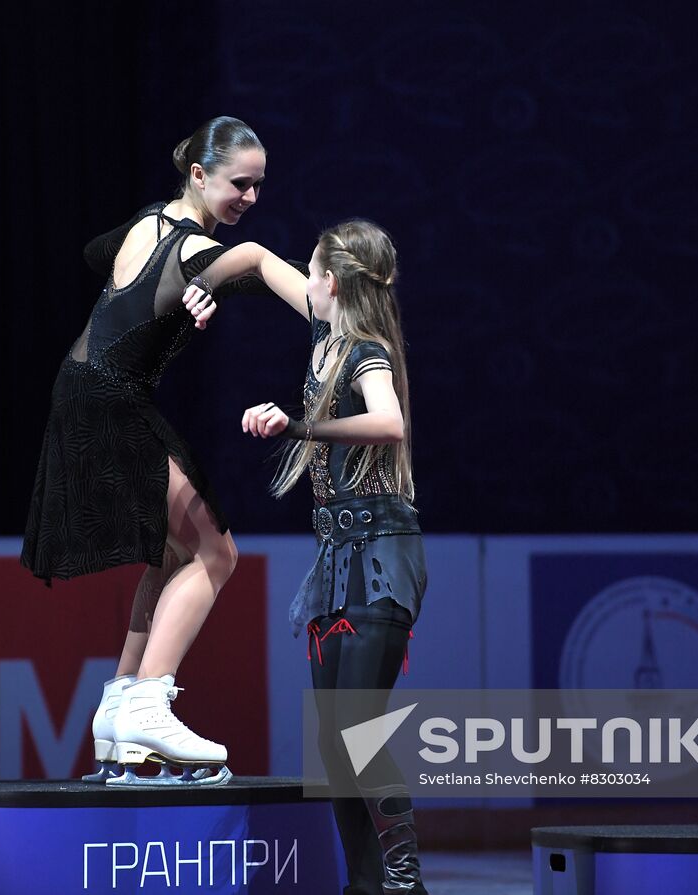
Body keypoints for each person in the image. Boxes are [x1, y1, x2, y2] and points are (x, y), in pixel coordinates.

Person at [23, 117, 306, 788]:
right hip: (110, 398)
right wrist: (342, 316)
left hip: (83, 392)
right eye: (240, 184)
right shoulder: (198, 249)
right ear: (200, 175)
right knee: (215, 553)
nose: (251, 198)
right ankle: (150, 702)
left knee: (174, 552)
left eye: (260, 186)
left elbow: (102, 255)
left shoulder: (150, 222)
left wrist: (185, 290)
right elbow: (266, 265)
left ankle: (121, 709)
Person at [187, 220, 429, 894]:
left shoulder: (365, 352)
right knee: (333, 745)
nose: (304, 277)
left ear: (329, 282)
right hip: (334, 557)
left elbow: (390, 422)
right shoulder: (326, 332)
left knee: (356, 730)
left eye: (312, 270)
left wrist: (298, 425)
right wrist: (204, 285)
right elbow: (258, 258)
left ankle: (405, 881)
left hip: (380, 551)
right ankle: (365, 883)